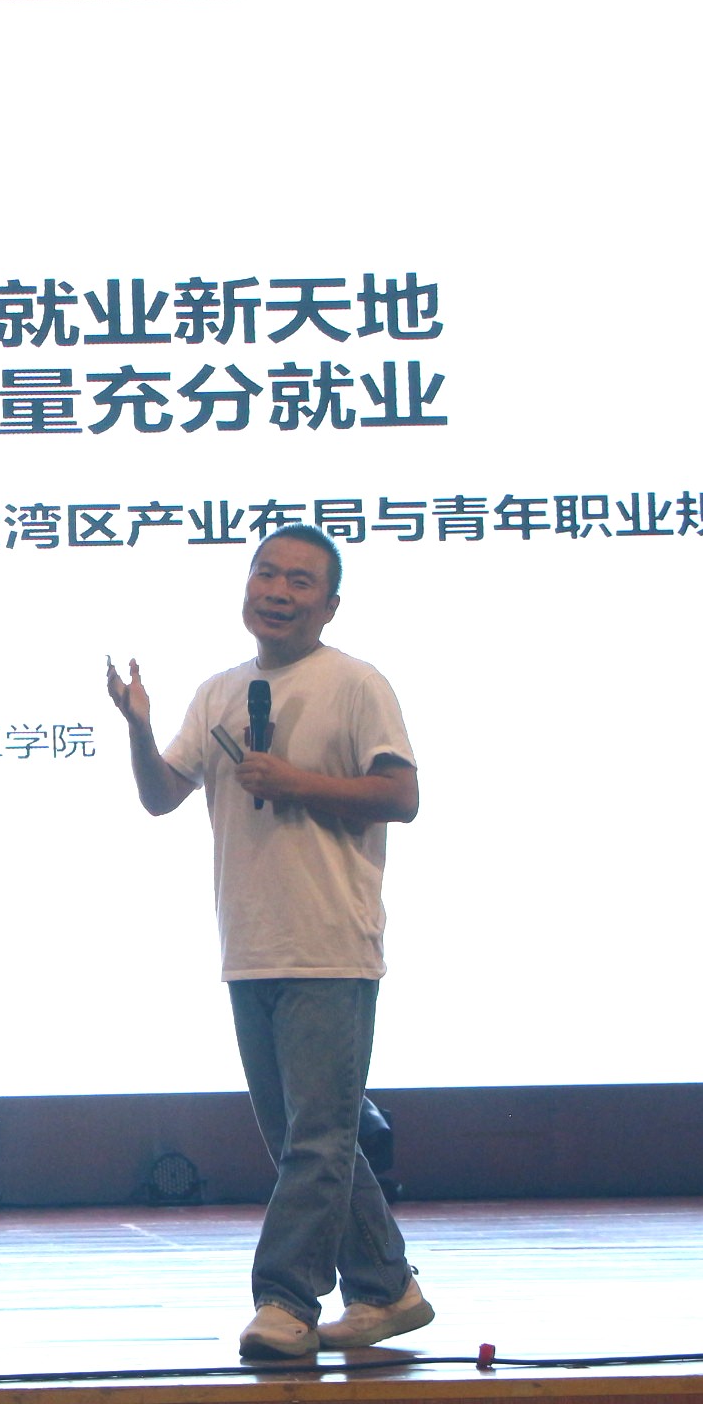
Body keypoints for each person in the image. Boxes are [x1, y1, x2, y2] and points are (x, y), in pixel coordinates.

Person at [105, 523, 433, 1362]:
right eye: (266, 574)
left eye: (299, 581)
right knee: (309, 1142)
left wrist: (295, 783)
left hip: (330, 942)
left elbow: (401, 795)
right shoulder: (219, 691)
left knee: (316, 1141)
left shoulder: (356, 683)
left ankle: (286, 1301)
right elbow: (160, 796)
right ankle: (388, 1288)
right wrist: (138, 727)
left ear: (330, 605)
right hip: (250, 942)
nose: (277, 592)